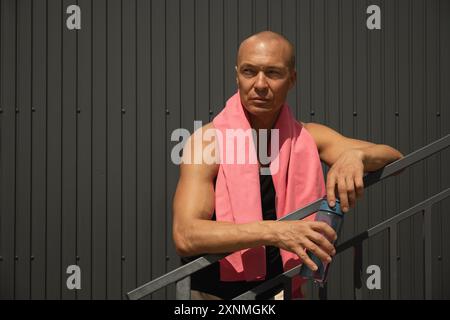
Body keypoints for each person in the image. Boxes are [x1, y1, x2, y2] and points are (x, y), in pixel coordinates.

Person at [172, 31, 403, 300]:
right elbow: (185, 235)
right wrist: (277, 231)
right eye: (249, 72)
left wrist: (356, 157)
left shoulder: (308, 137)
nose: (259, 84)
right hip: (217, 296)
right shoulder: (209, 141)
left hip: (285, 291)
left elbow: (396, 158)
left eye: (273, 73)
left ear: (292, 79)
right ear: (237, 76)